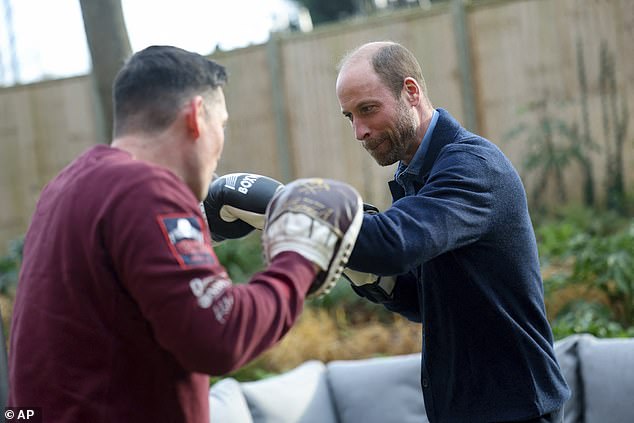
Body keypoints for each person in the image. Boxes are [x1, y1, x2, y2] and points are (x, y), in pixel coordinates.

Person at [8, 45, 362, 422]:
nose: (220, 143)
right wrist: (300, 256)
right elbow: (221, 335)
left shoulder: (65, 188)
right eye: (221, 125)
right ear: (195, 117)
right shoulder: (145, 190)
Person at [336, 41, 571, 423]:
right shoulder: (414, 174)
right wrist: (379, 282)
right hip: (467, 411)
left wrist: (290, 207)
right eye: (349, 116)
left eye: (368, 109)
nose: (359, 131)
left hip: (518, 410)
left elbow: (391, 244)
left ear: (410, 92)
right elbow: (426, 302)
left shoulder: (472, 167)